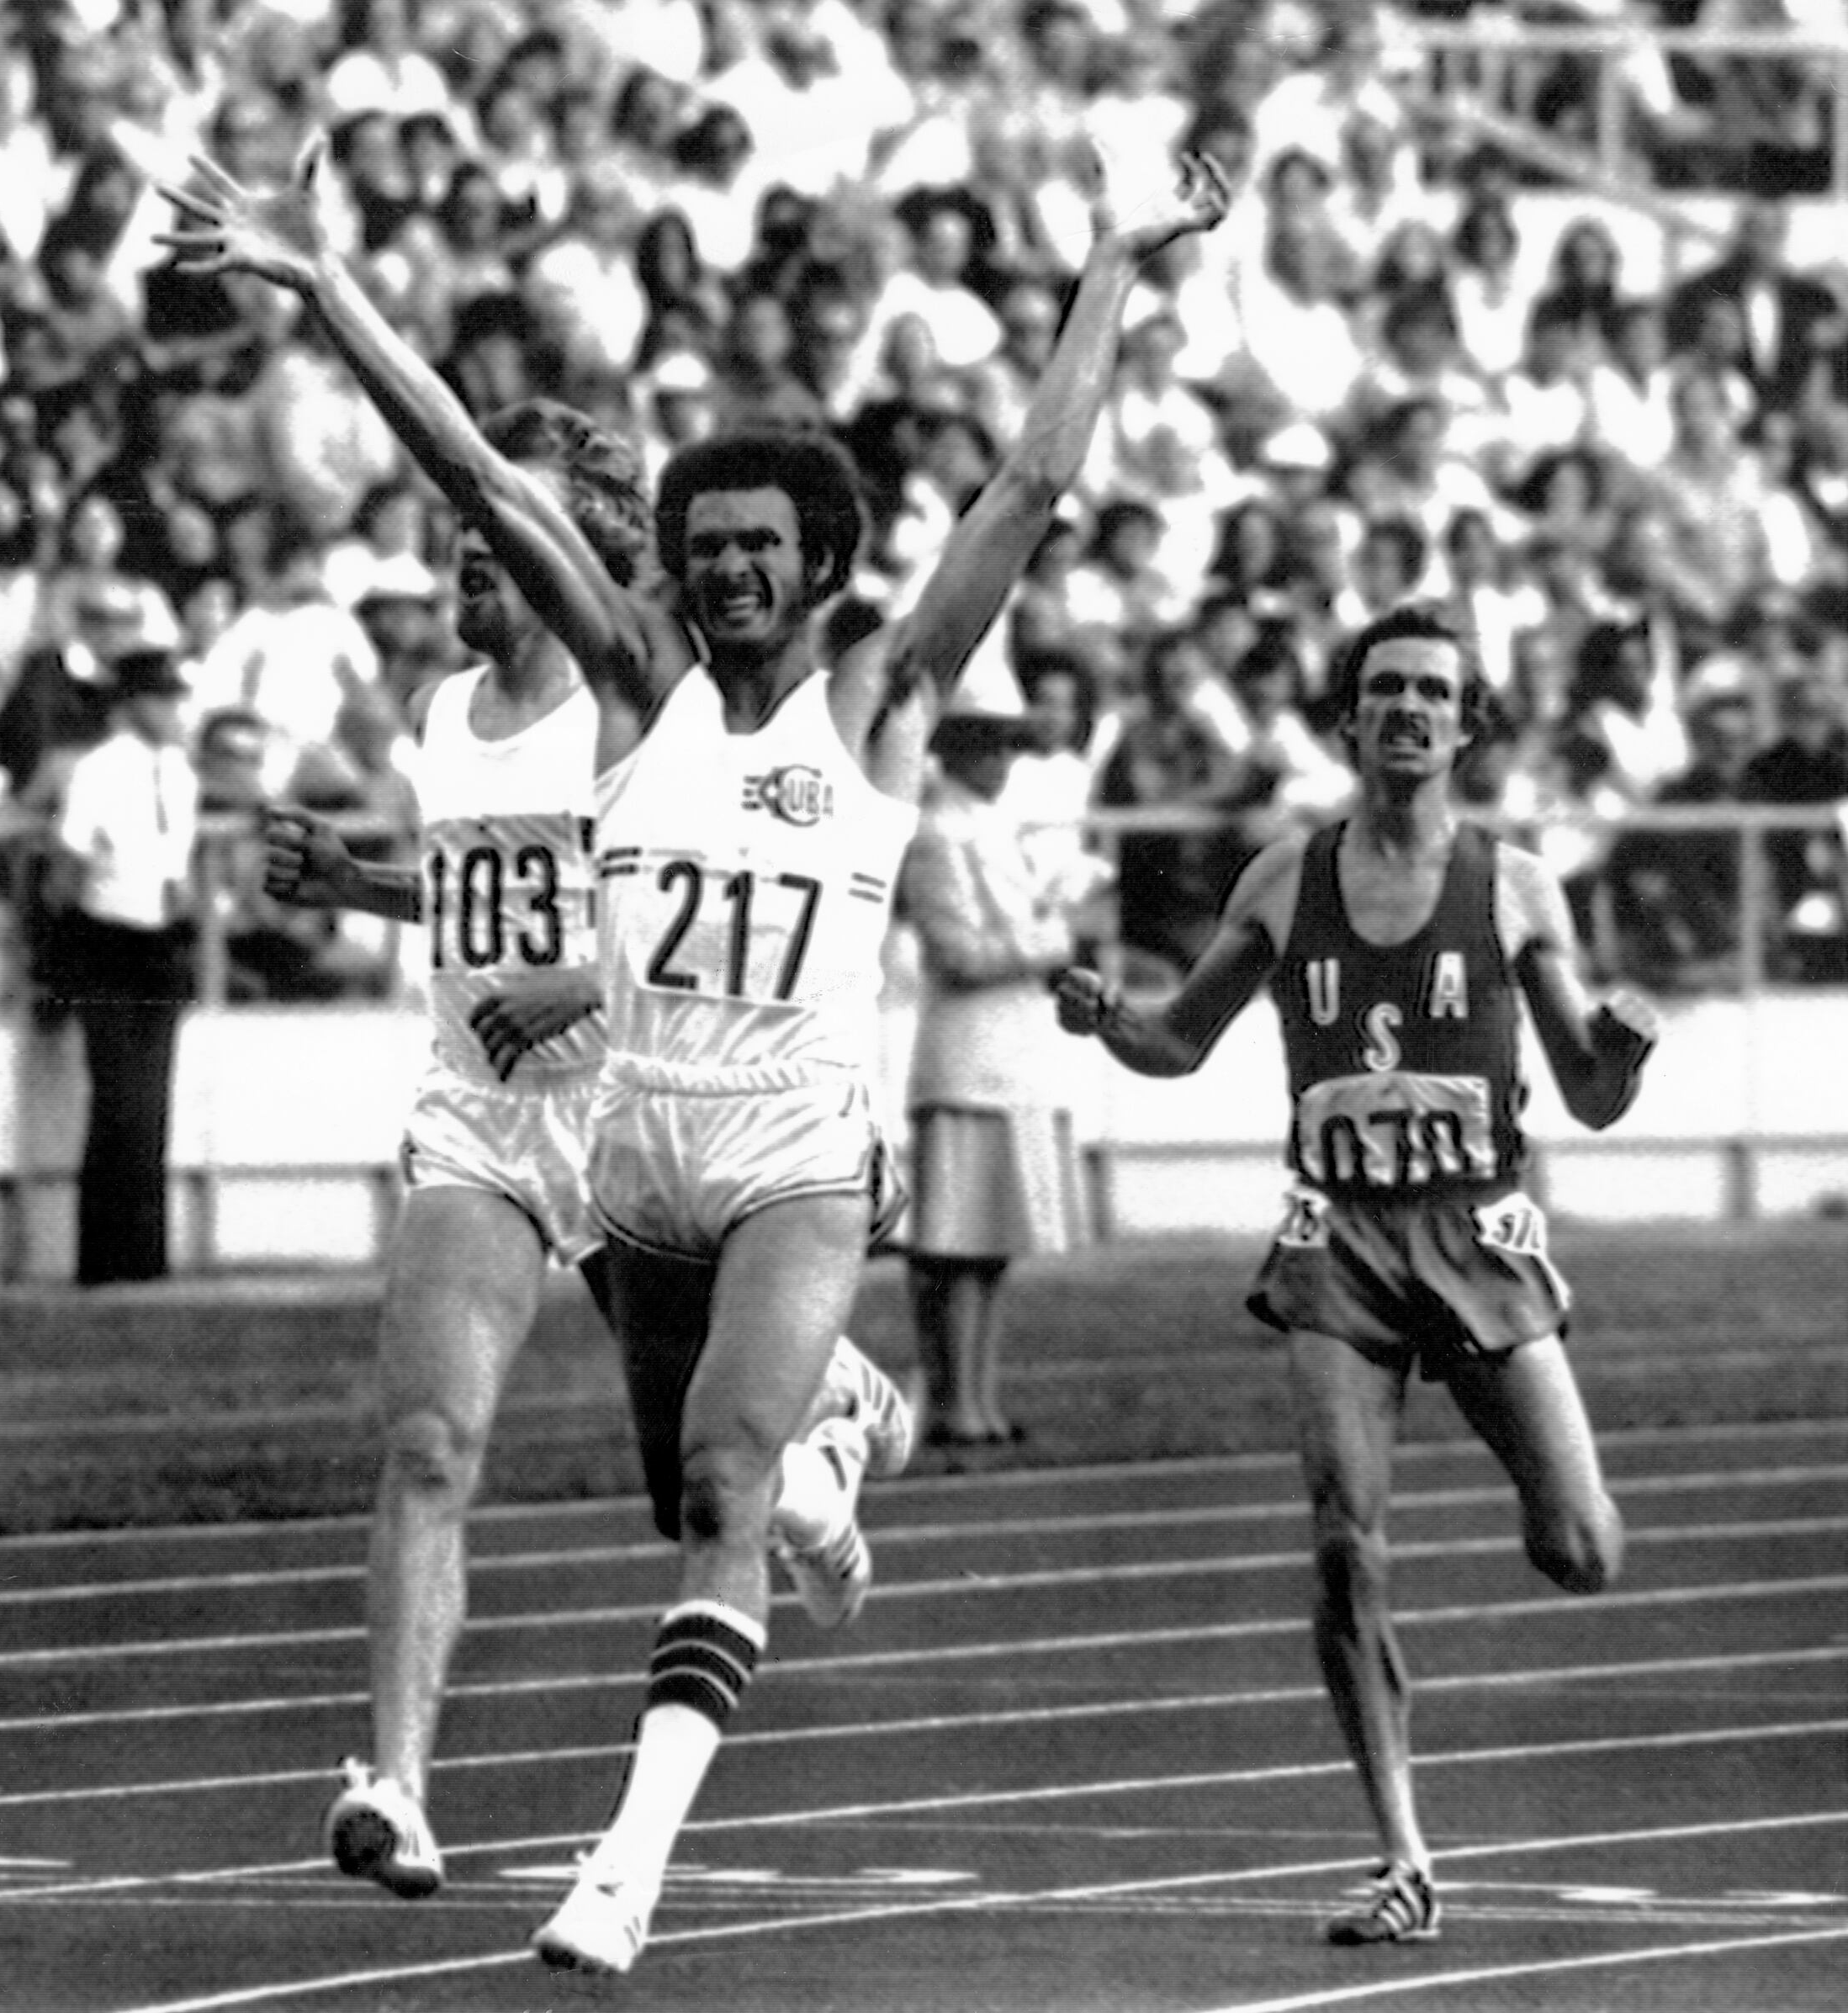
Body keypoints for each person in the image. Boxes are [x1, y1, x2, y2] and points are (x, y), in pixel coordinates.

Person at [156, 133, 1229, 1976]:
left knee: (718, 1492)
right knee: (693, 1481)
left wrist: (1114, 270)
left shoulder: (884, 693)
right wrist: (321, 284)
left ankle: (626, 1859)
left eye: (762, 549)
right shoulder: (638, 685)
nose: (728, 572)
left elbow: (1037, 476)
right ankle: (844, 1417)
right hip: (635, 1144)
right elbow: (480, 475)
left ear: (823, 564)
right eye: (704, 546)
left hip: (798, 1148)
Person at [246, 398, 913, 1905]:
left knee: (698, 1488)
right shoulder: (441, 718)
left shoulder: (647, 698)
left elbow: (695, 913)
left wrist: (584, 986)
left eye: (507, 541)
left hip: (642, 1113)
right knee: (426, 1441)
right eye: (465, 549)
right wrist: (363, 878)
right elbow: (488, 903)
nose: (478, 566)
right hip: (479, 1120)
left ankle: (835, 1397)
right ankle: (399, 1785)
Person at [1053, 605, 1660, 1947]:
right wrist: (1113, 1024)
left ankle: (1512, 1491)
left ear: (1468, 723)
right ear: (1349, 719)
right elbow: (1179, 1044)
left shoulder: (1514, 884)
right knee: (1344, 1537)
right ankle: (1400, 1853)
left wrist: (1625, 1046)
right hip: (1338, 1240)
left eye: (1433, 693)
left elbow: (1592, 1094)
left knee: (1582, 1548)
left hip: (1475, 1233)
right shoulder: (1282, 877)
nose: (1407, 711)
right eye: (1384, 690)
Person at [900, 668, 1103, 1449]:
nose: (1004, 761)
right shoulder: (938, 830)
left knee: (990, 1248)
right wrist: (1054, 936)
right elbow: (959, 952)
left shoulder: (986, 825)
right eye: (988, 746)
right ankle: (955, 1400)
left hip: (1010, 1055)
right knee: (955, 1247)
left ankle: (976, 1398)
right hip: (966, 1058)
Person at [41, 647, 199, 1287]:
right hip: (107, 935)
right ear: (131, 702)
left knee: (151, 1099)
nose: (171, 710)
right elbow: (69, 859)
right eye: (160, 698)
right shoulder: (99, 770)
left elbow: (175, 860)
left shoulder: (178, 772)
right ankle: (104, 1259)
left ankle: (145, 1256)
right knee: (117, 1097)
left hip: (159, 936)